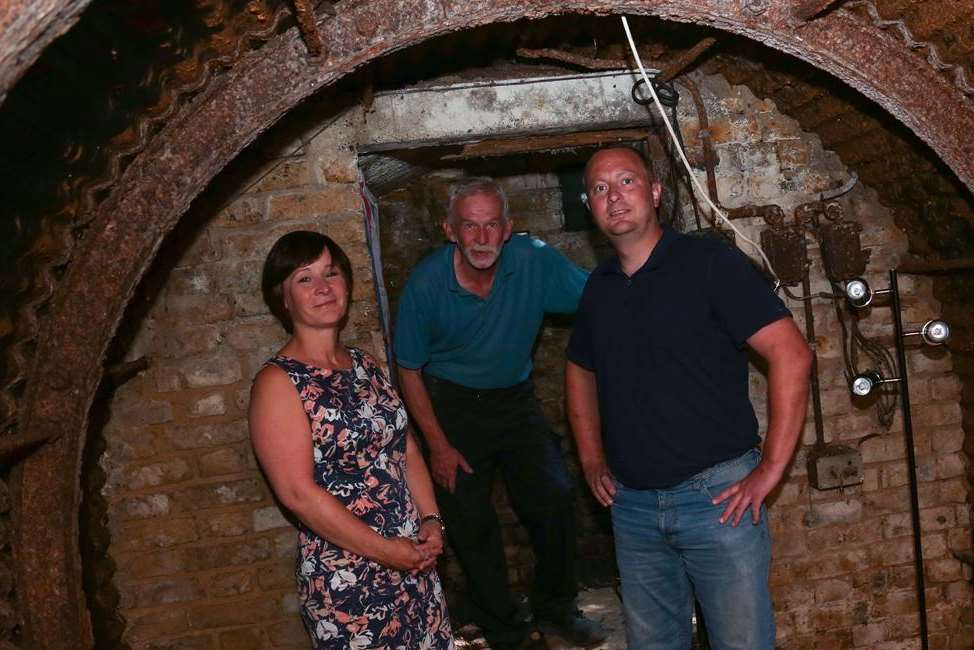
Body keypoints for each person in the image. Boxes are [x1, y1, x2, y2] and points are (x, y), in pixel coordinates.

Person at [565, 147, 812, 650]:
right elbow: (578, 369)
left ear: (655, 192)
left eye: (627, 182)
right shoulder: (600, 288)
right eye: (600, 188)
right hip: (633, 507)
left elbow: (793, 355)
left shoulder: (708, 264)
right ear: (588, 205)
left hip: (717, 500)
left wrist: (769, 471)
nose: (614, 197)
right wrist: (590, 457)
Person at [394, 178, 606, 649]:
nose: (482, 237)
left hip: (515, 399)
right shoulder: (427, 283)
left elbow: (600, 297)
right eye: (470, 226)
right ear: (450, 231)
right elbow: (407, 369)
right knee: (470, 520)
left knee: (554, 495)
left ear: (508, 229)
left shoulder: (533, 259)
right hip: (450, 404)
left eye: (492, 225)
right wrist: (438, 446)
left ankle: (555, 608)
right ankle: (505, 626)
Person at [249, 231, 454, 649]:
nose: (323, 288)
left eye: (332, 273)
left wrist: (431, 521)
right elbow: (297, 494)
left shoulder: (366, 364)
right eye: (304, 279)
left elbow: (405, 447)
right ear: (282, 299)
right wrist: (384, 551)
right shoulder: (278, 382)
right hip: (348, 580)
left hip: (413, 561)